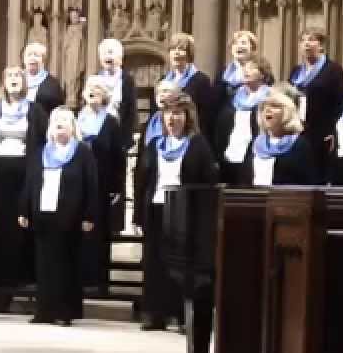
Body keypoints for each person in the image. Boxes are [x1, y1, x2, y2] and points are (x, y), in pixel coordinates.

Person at [134, 93, 218, 331]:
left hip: (186, 213)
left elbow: (208, 181)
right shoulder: (155, 145)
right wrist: (138, 214)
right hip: (156, 208)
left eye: (178, 113)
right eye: (168, 113)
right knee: (154, 263)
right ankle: (154, 313)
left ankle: (182, 315)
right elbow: (141, 180)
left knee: (182, 267)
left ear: (188, 117)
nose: (172, 118)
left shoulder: (198, 145)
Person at [18, 107, 99, 326]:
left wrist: (89, 216)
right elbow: (30, 183)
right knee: (43, 265)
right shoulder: (41, 152)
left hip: (70, 217)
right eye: (56, 121)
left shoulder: (82, 152)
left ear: (73, 127)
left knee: (66, 265)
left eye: (64, 120)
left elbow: (91, 186)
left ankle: (64, 311)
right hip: (43, 214)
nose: (59, 124)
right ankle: (44, 310)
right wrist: (24, 210)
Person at [0, 66, 48, 313]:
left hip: (24, 177)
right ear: (3, 82)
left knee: (19, 230)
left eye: (18, 77)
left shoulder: (36, 111)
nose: (14, 80)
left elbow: (41, 144)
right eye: (10, 77)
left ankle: (17, 285)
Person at [75, 76, 125, 292]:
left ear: (105, 95)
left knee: (99, 230)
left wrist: (117, 187)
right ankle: (80, 277)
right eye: (89, 88)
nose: (92, 92)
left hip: (103, 182)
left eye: (98, 89)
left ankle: (99, 281)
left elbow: (118, 157)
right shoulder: (77, 118)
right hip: (79, 182)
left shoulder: (111, 122)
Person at [288, 27, 343, 183]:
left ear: (321, 45)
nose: (307, 44)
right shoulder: (296, 72)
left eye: (312, 40)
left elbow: (342, 102)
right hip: (298, 130)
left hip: (322, 132)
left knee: (317, 174)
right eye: (303, 40)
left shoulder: (333, 70)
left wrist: (334, 131)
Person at [241, 86, 318, 186]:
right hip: (253, 199)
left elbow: (308, 183)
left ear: (287, 112)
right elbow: (243, 180)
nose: (267, 109)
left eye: (274, 106)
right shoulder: (255, 144)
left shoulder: (299, 145)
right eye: (264, 107)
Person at [214, 59, 269, 186]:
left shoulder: (268, 98)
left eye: (251, 68)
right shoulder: (233, 97)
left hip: (253, 156)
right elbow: (221, 126)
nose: (246, 71)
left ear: (262, 74)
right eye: (245, 68)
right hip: (229, 155)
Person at [165, 32, 220, 148]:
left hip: (192, 139)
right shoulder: (163, 81)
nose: (176, 52)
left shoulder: (201, 80)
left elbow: (207, 117)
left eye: (181, 49)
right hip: (167, 138)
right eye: (173, 49)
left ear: (189, 55)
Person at [94, 38, 138, 144]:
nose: (107, 56)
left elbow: (131, 111)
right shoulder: (95, 79)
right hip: (98, 133)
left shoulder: (127, 80)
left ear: (120, 58)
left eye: (111, 52)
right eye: (104, 53)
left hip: (120, 134)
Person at [214, 30, 266, 98]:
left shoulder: (261, 68)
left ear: (252, 47)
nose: (239, 46)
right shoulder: (223, 72)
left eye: (243, 43)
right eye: (235, 43)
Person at [22, 42, 64, 114]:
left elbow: (57, 111)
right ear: (24, 59)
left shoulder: (52, 84)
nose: (32, 58)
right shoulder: (17, 78)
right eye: (29, 55)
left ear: (43, 60)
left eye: (36, 55)